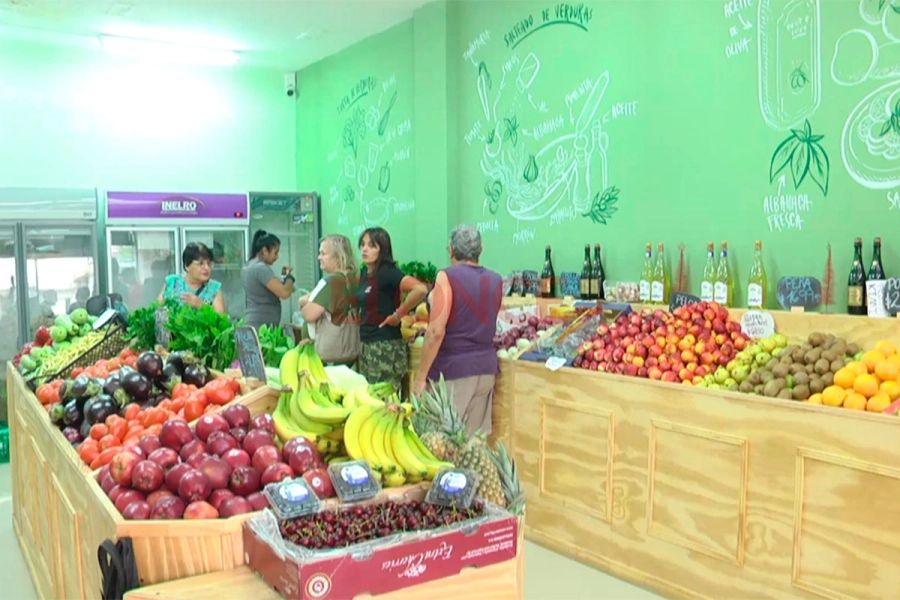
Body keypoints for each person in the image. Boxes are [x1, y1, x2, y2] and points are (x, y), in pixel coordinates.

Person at [413, 225, 503, 436]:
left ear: (451, 250)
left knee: (442, 441)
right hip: (486, 369)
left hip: (453, 372)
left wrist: (420, 378)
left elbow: (435, 332)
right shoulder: (496, 279)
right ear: (481, 249)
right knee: (473, 444)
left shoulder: (447, 276)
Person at [355, 227, 427, 391]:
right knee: (368, 395)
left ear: (382, 249)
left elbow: (420, 289)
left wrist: (398, 314)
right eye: (363, 244)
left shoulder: (388, 272)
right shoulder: (365, 272)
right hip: (366, 344)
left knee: (385, 397)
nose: (364, 249)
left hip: (385, 346)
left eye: (371, 245)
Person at [299, 234, 360, 365]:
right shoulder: (354, 279)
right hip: (349, 352)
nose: (319, 257)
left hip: (329, 357)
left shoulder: (331, 281)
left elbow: (309, 314)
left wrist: (303, 303)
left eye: (323, 253)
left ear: (337, 255)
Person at [242, 230, 295, 329]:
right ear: (265, 251)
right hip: (260, 325)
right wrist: (290, 278)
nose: (277, 257)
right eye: (275, 253)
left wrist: (284, 277)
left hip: (256, 322)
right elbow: (284, 293)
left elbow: (272, 288)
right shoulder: (260, 268)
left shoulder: (249, 265)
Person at [157, 242, 226, 313]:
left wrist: (201, 305)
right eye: (201, 263)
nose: (207, 268)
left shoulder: (214, 288)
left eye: (209, 264)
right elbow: (157, 309)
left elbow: (221, 317)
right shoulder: (172, 281)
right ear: (187, 266)